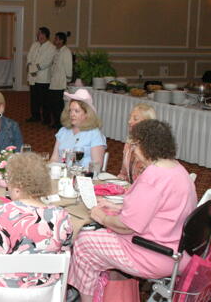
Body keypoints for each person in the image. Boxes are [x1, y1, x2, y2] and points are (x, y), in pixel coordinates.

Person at [69, 120, 197, 302]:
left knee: (84, 241)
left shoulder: (153, 176)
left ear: (147, 146)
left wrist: (102, 216)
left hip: (154, 254)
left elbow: (125, 227)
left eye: (135, 145)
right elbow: (158, 209)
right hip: (177, 249)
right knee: (99, 234)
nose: (134, 151)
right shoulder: (178, 170)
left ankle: (87, 297)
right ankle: (105, 289)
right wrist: (117, 207)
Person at [0, 152, 73, 290]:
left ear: (17, 188)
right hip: (44, 292)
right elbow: (64, 254)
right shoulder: (62, 217)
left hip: (0, 292)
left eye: (9, 182)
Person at [50, 89, 106, 168]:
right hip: (62, 176)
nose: (72, 114)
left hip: (83, 177)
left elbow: (96, 165)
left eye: (76, 111)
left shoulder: (94, 134)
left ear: (87, 114)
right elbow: (54, 159)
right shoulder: (63, 131)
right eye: (70, 111)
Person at [118, 103, 157, 183]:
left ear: (147, 123)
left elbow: (153, 180)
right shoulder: (129, 143)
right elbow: (123, 174)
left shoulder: (153, 148)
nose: (129, 121)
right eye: (130, 117)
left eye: (135, 119)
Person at [26, 27, 55, 124]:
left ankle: (46, 119)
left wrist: (33, 69)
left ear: (46, 35)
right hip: (32, 76)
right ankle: (35, 116)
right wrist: (30, 67)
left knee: (44, 100)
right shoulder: (34, 45)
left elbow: (47, 62)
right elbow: (29, 56)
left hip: (43, 78)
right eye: (38, 34)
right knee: (34, 99)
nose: (40, 36)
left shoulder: (51, 47)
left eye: (42, 34)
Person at [48, 32, 73, 129]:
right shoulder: (57, 50)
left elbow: (68, 67)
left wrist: (68, 79)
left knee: (58, 105)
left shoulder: (66, 51)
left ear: (62, 40)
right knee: (53, 104)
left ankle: (60, 124)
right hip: (54, 82)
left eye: (56, 39)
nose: (54, 41)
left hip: (61, 83)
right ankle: (56, 122)